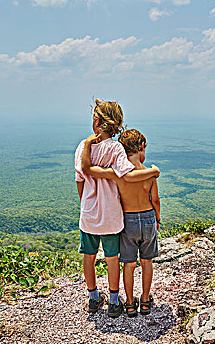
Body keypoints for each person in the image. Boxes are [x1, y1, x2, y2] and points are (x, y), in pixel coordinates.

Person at [74, 99, 160, 318]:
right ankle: (117, 300)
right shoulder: (116, 150)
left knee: (90, 256)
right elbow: (129, 176)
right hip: (115, 216)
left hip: (90, 215)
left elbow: (81, 178)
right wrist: (152, 172)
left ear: (96, 122)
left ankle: (96, 298)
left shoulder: (82, 149)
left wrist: (86, 203)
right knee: (115, 259)